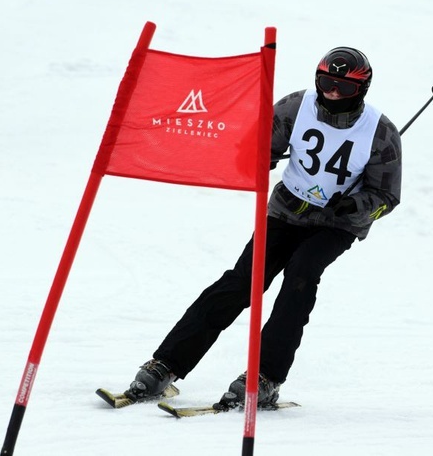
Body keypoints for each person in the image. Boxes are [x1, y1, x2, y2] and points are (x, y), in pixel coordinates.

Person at [126, 47, 402, 407]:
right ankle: (166, 364)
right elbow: (258, 148)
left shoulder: (380, 132)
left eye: (343, 88)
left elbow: (387, 197)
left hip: (335, 224)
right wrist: (258, 158)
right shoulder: (295, 107)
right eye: (326, 83)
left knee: (301, 275)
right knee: (243, 281)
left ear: (362, 89)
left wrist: (357, 205)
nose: (332, 93)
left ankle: (266, 376)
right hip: (286, 211)